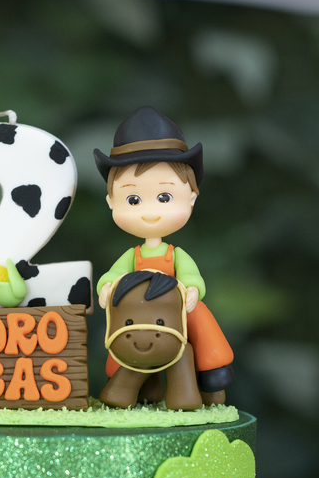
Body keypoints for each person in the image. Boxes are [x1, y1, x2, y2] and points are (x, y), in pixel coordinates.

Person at [94, 106, 234, 404]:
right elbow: (114, 274)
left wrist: (192, 289)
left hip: (176, 307)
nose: (150, 212)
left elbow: (191, 275)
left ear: (191, 197)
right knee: (119, 324)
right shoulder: (132, 255)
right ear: (111, 201)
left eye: (164, 197)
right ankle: (124, 375)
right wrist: (106, 286)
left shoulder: (176, 254)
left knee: (201, 322)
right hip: (138, 313)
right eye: (133, 199)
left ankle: (212, 371)